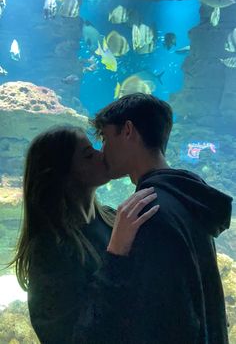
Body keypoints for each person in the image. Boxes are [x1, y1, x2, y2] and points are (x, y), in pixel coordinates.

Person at [73, 93, 232, 344]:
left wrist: (116, 255)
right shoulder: (188, 197)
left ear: (127, 131)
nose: (102, 152)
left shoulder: (145, 213)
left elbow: (154, 319)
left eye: (105, 137)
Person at [9, 125, 159, 344]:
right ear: (62, 176)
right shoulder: (48, 250)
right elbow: (68, 336)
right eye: (89, 155)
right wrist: (116, 253)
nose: (102, 155)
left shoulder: (112, 217)